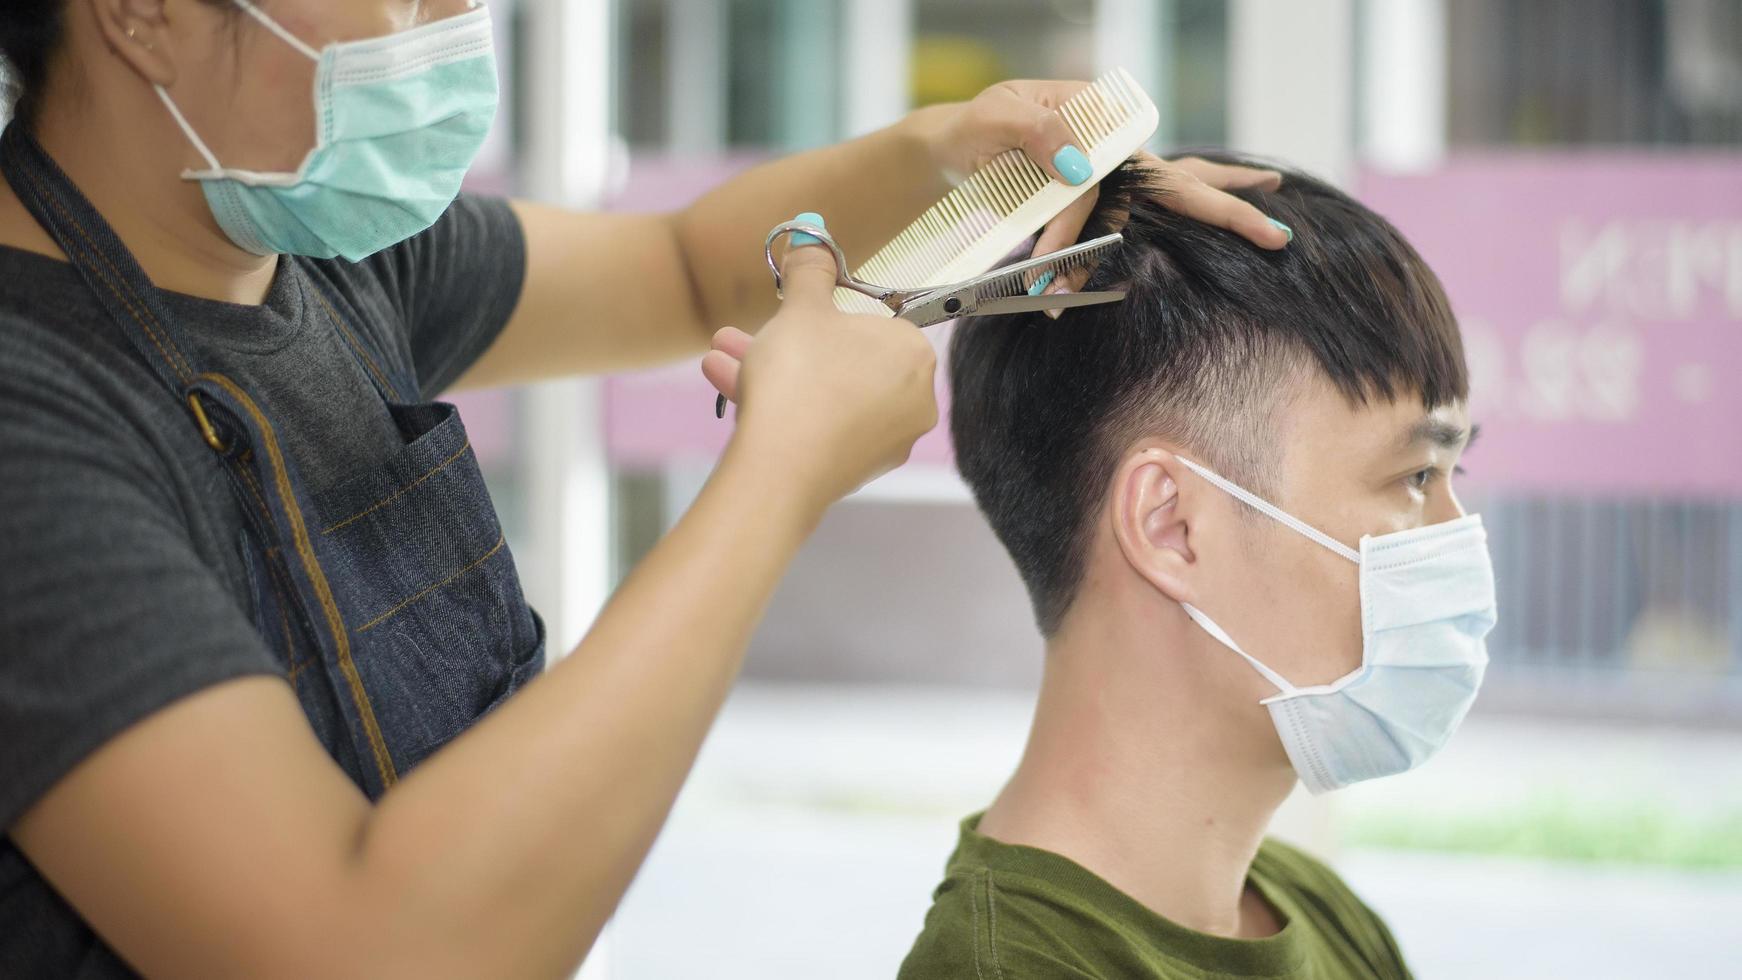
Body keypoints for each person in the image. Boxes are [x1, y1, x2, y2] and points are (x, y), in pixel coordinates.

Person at [0, 1, 1298, 975]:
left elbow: (682, 272)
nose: (445, 31)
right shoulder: (32, 423)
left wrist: (947, 151)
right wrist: (775, 477)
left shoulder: (318, 257)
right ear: (144, 15)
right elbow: (365, 950)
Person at [897, 157, 1496, 980]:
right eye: (1416, 477)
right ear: (1172, 524)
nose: (1457, 537)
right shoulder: (1006, 969)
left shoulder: (1321, 911)